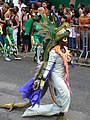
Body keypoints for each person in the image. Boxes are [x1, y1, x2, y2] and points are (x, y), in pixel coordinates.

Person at [19, 19, 71, 119]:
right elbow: (49, 65)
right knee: (66, 94)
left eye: (66, 38)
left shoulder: (65, 50)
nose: (67, 41)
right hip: (56, 77)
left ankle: (58, 111)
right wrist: (42, 78)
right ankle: (61, 115)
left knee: (61, 96)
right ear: (59, 40)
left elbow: (65, 61)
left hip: (63, 76)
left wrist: (69, 60)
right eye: (64, 39)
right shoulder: (54, 51)